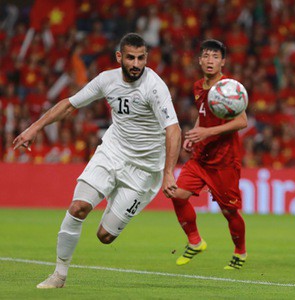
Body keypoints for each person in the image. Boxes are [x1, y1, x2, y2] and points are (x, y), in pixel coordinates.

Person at [13, 33, 181, 288]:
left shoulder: (155, 87)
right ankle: (59, 275)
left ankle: (116, 199)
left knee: (105, 236)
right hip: (112, 153)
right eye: (131, 58)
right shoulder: (106, 80)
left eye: (141, 58)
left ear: (146, 58)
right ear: (119, 57)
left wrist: (169, 172)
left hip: (144, 170)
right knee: (78, 207)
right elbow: (70, 104)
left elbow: (173, 129)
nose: (136, 64)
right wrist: (35, 127)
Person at [170, 39, 248, 270]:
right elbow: (203, 115)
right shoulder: (197, 87)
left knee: (229, 211)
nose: (210, 60)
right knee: (177, 194)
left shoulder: (230, 87)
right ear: (200, 60)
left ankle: (240, 251)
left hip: (224, 161)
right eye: (206, 56)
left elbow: (242, 121)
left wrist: (207, 131)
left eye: (215, 56)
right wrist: (195, 133)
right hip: (200, 158)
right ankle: (195, 241)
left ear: (223, 61)